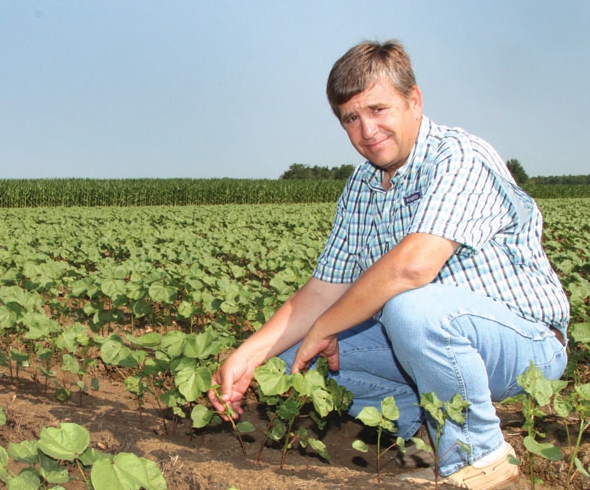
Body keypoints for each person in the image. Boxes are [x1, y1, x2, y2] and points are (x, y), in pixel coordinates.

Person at [208, 40, 569, 490]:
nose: (367, 129)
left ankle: (482, 461)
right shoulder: (362, 184)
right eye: (351, 118)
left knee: (409, 309)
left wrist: (326, 327)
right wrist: (248, 354)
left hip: (524, 344)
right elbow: (324, 288)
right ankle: (420, 441)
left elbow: (414, 267)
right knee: (291, 360)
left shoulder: (458, 156)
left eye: (378, 109)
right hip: (421, 343)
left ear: (413, 100)